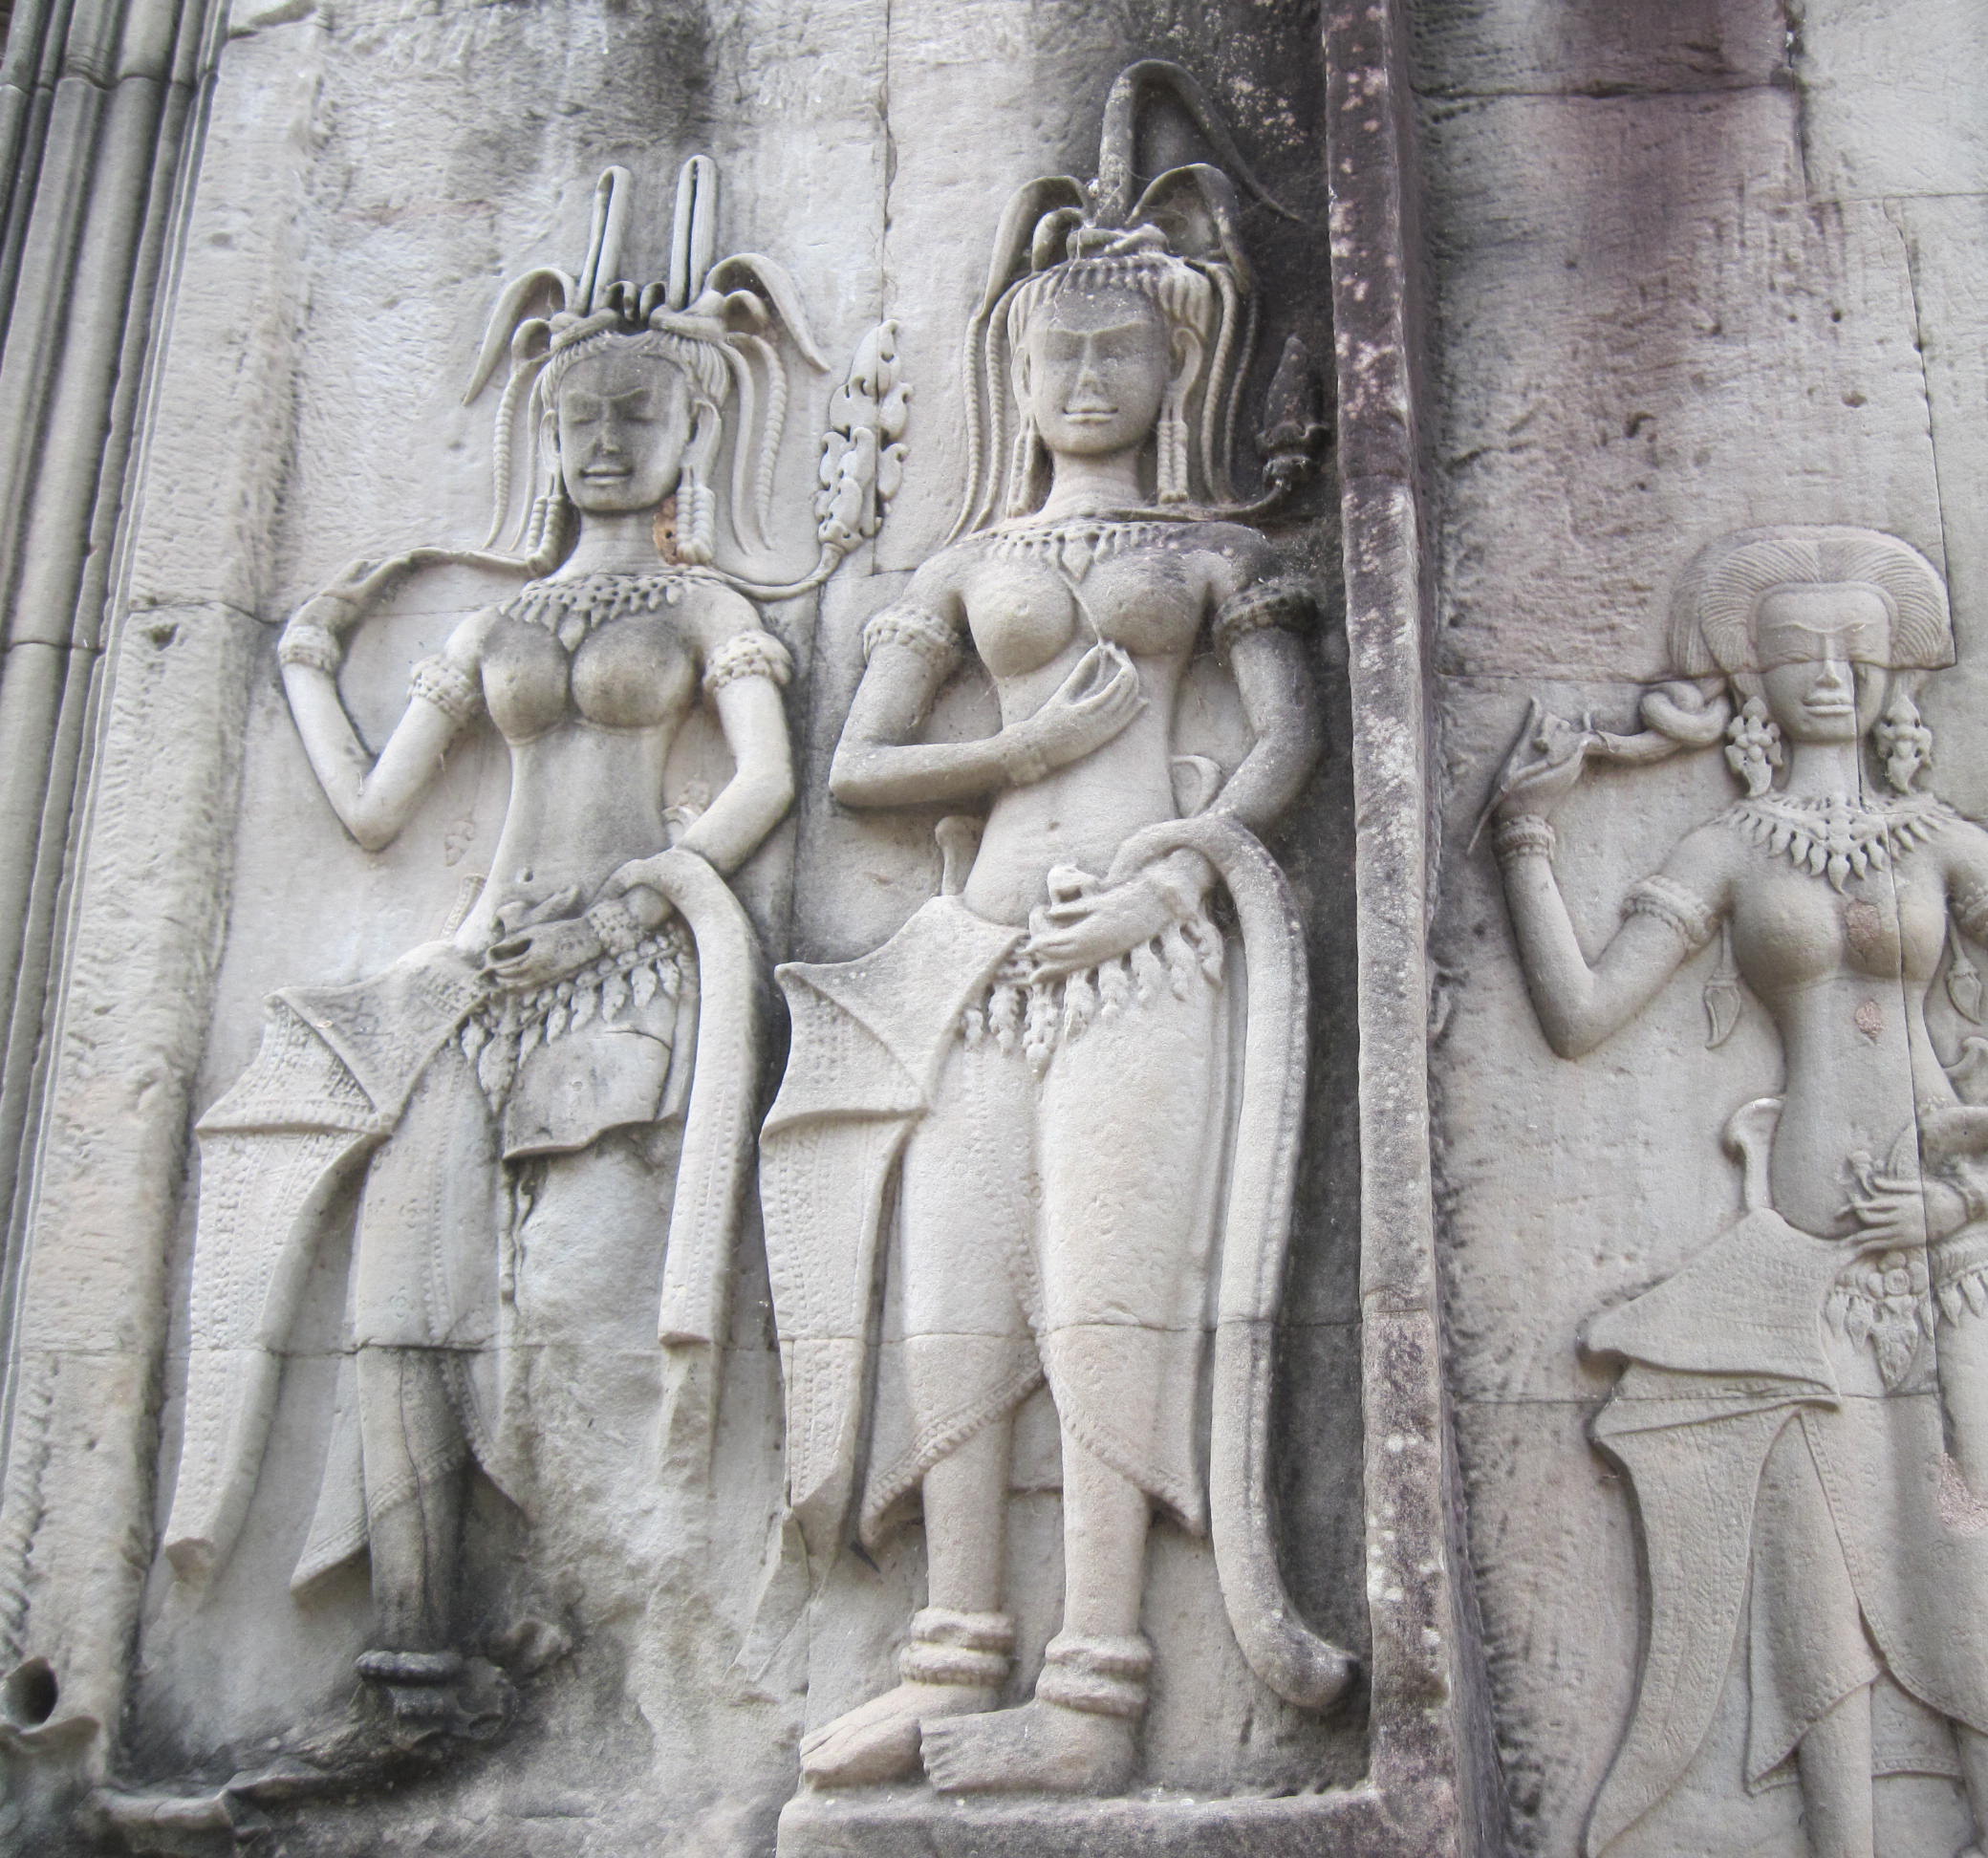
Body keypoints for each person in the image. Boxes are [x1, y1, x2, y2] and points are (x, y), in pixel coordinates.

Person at [758, 61, 1351, 1802]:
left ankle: (1095, 1683)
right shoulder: (963, 568)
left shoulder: (1215, 550)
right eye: (1056, 355)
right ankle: (951, 1654)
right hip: (981, 956)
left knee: (1105, 1296)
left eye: (1118, 352)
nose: (1085, 379)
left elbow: (1285, 741)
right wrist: (1022, 755)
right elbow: (862, 769)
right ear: (1012, 377)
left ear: (1179, 367)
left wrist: (1177, 867)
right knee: (954, 1297)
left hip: (1148, 950)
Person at [160, 160, 810, 1732]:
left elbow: (767, 782)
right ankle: (414, 1663)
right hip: (473, 984)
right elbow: (376, 811)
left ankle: (623, 1658)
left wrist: (633, 901)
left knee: (577, 1328)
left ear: (693, 430)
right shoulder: (490, 627)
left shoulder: (710, 605)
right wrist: (305, 664)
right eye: (579, 416)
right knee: (401, 1306)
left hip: (627, 973)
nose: (605, 441)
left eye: (638, 414)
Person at [1487, 526, 1988, 1858]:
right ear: (1756, 679)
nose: (1828, 674)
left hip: (1950, 1245)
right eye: (1799, 653)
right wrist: (1528, 835)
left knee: (1979, 1543)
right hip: (1798, 1253)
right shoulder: (1729, 845)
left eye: (1854, 653)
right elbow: (1583, 1015)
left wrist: (1978, 1185)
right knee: (1815, 1574)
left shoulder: (1944, 840)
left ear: (1893, 679)